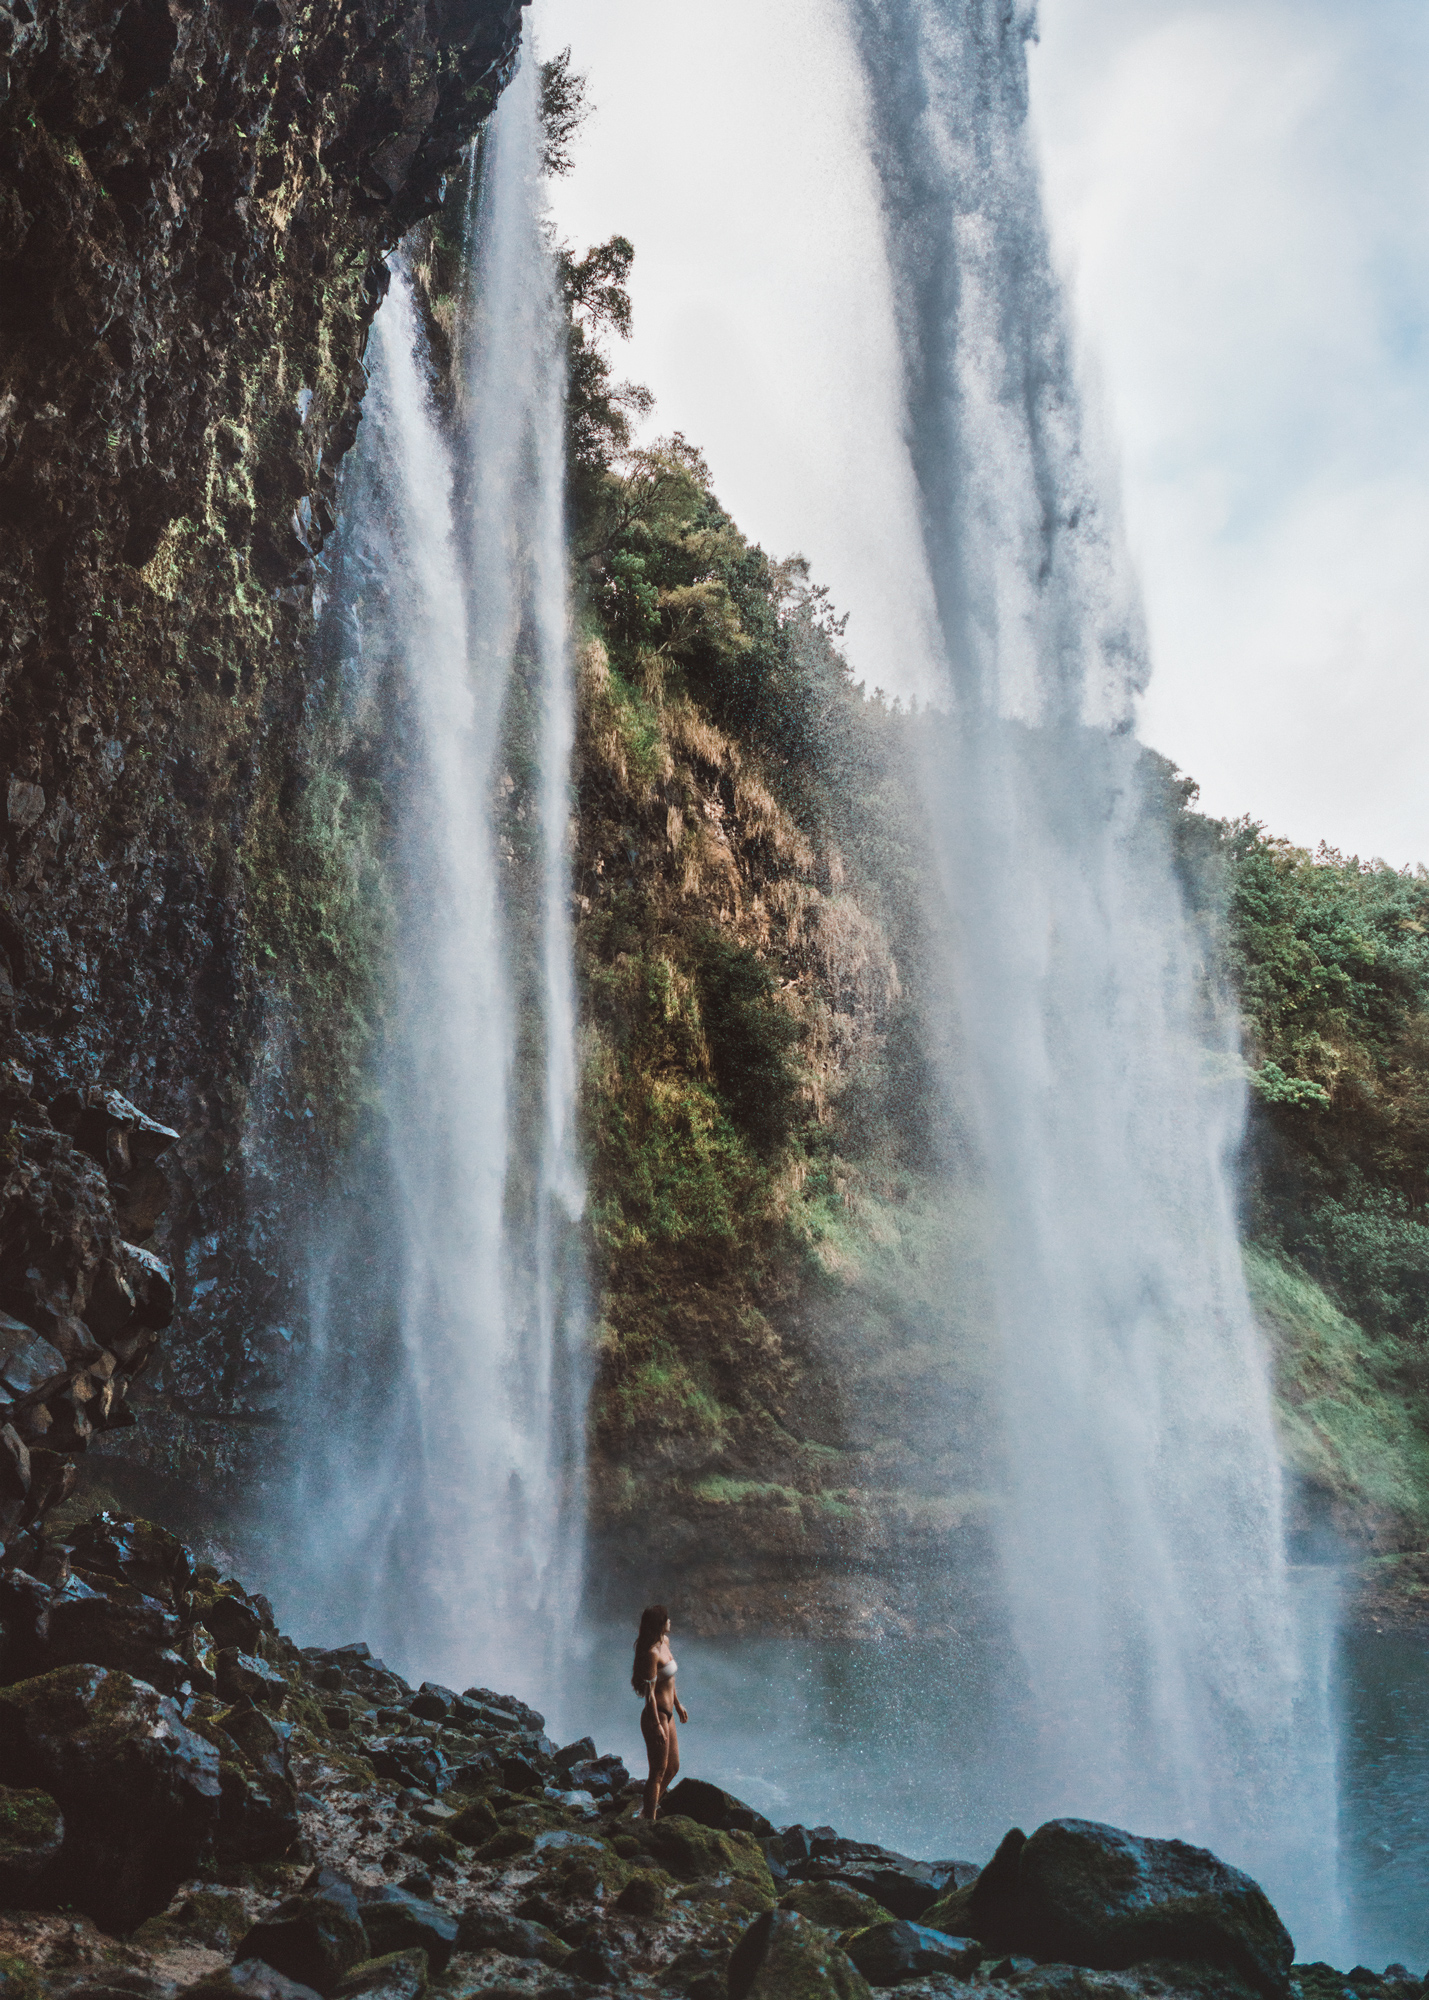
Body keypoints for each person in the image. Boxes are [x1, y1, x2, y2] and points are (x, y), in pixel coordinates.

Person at [632, 1602, 688, 1820]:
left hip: (668, 1713)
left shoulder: (665, 1642)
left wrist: (678, 1704)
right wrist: (656, 1725)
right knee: (657, 1771)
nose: (670, 1622)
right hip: (655, 1717)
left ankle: (647, 1809)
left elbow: (670, 1680)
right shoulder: (651, 1653)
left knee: (673, 1767)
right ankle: (649, 1821)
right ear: (660, 1623)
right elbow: (650, 1694)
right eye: (667, 1619)